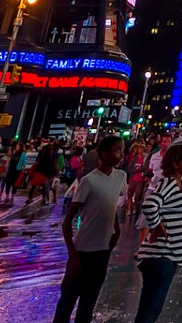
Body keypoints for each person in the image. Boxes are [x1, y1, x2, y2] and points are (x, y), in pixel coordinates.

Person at [54, 136, 129, 323]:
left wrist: (116, 233)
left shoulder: (121, 177)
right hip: (82, 251)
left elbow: (111, 207)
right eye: (117, 150)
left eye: (122, 150)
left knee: (88, 304)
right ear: (104, 154)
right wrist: (72, 255)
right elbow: (68, 220)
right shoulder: (89, 181)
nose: (121, 155)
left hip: (102, 252)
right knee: (67, 302)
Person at [130, 143, 182, 323]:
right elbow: (150, 205)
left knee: (152, 310)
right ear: (175, 163)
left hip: (168, 256)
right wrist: (157, 225)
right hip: (161, 256)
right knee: (149, 312)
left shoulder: (180, 183)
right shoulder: (169, 182)